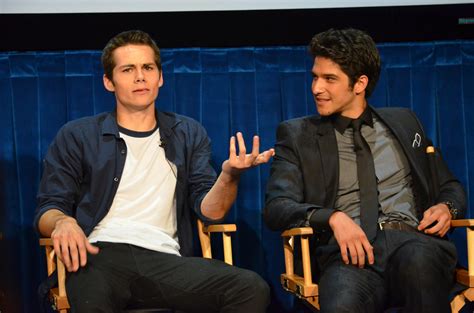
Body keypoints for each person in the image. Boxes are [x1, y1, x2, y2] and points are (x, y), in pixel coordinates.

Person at [34, 29, 273, 313]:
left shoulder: (187, 132)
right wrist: (63, 222)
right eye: (128, 69)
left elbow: (211, 212)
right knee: (89, 298)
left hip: (165, 260)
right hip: (100, 256)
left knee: (250, 288)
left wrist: (229, 176)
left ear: (160, 77)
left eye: (148, 67)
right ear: (109, 82)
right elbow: (49, 206)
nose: (140, 77)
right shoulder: (78, 135)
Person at [264, 28, 466, 313]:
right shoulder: (298, 135)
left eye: (329, 79)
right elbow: (277, 207)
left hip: (413, 243)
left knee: (418, 263)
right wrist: (331, 217)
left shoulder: (405, 123)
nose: (316, 88)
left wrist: (448, 207)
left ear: (359, 84)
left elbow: (450, 185)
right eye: (315, 76)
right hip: (348, 259)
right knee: (342, 301)